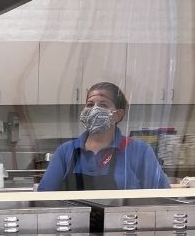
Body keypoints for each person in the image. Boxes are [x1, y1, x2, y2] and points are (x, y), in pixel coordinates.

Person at [37, 81, 169, 191]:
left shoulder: (140, 151)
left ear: (118, 115)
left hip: (123, 221)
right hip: (75, 221)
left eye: (103, 105)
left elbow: (161, 195)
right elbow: (45, 195)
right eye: (90, 104)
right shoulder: (66, 151)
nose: (94, 109)